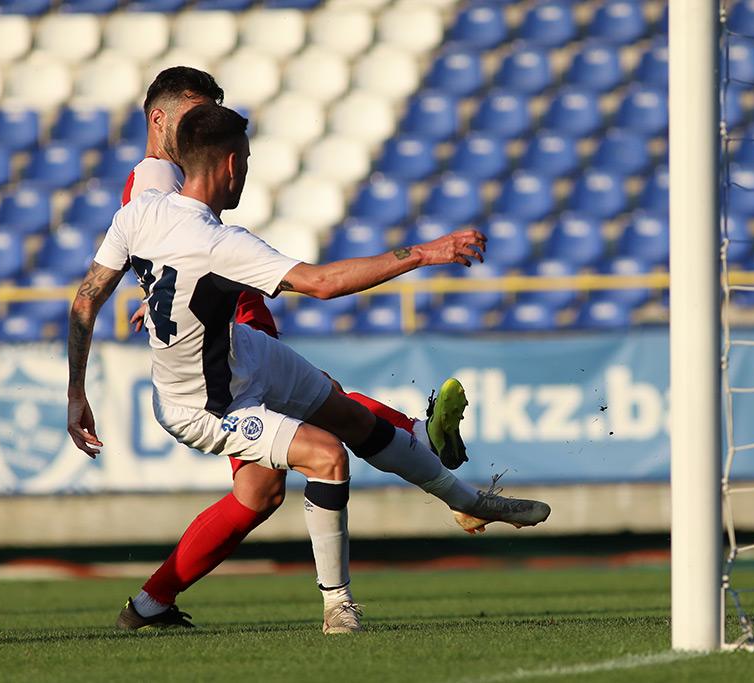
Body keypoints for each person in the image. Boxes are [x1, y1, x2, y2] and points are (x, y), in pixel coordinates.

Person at [67, 104, 550, 634]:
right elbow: (323, 284)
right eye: (246, 162)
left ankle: (467, 499)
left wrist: (76, 395)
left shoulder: (137, 211)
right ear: (231, 164)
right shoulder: (219, 242)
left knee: (349, 418)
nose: (246, 173)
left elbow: (87, 300)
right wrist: (423, 253)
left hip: (242, 352)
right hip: (203, 405)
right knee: (325, 456)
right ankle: (337, 607)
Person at [111, 67, 469, 631]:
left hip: (227, 310)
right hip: (223, 330)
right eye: (198, 114)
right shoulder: (155, 173)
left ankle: (151, 604)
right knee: (302, 439)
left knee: (264, 480)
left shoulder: (164, 176)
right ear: (161, 121)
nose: (210, 125)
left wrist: (156, 297)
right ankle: (421, 448)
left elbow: (154, 255)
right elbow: (155, 250)